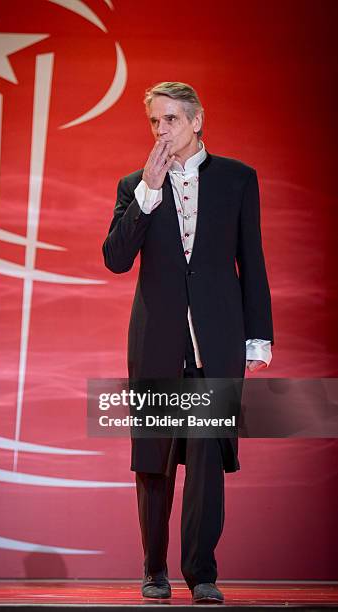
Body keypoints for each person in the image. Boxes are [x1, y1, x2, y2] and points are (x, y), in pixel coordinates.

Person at [102, 82, 273, 603]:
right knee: (153, 460)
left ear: (197, 121)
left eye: (171, 119)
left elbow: (253, 260)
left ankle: (202, 573)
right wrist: (148, 195)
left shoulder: (238, 180)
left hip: (215, 343)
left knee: (205, 464)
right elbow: (114, 258)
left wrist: (257, 335)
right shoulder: (136, 185)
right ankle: (154, 570)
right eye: (155, 121)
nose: (162, 131)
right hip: (157, 342)